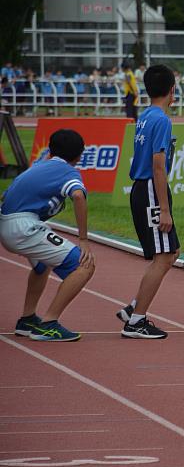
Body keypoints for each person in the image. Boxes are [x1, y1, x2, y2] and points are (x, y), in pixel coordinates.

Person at [0, 129, 95, 341]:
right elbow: (78, 196)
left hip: (10, 223)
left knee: (42, 266)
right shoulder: (68, 172)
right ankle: (49, 323)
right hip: (23, 227)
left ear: (50, 150)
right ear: (79, 155)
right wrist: (84, 240)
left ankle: (27, 319)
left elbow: (7, 195)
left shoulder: (40, 165)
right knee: (83, 265)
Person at [115, 64, 180, 339]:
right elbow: (158, 165)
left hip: (142, 189)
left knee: (170, 253)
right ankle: (137, 321)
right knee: (164, 257)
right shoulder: (162, 120)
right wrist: (164, 209)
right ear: (172, 90)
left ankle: (133, 308)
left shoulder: (144, 116)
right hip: (151, 191)